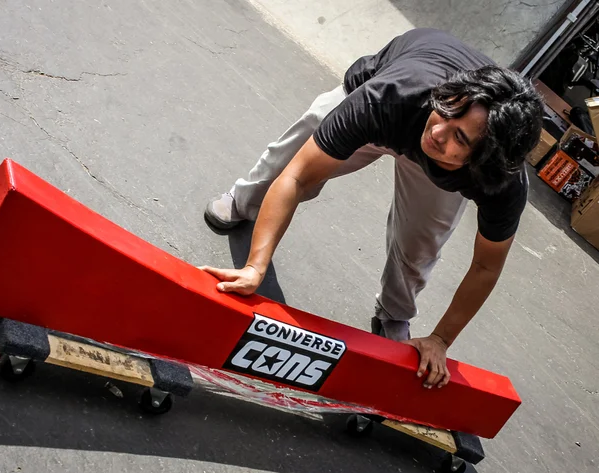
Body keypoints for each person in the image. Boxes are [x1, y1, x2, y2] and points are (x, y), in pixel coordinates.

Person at [200, 28, 543, 390]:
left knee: (420, 243)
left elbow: (486, 265)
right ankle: (244, 200)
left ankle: (394, 314)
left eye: (460, 136)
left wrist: (441, 340)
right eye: (446, 112)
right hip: (394, 107)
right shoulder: (392, 97)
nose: (439, 132)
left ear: (485, 159)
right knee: (292, 155)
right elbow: (298, 176)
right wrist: (256, 265)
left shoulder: (502, 182)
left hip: (439, 158)